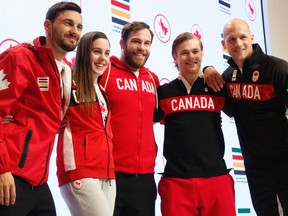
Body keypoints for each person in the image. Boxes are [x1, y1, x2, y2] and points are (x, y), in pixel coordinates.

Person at [0, 2, 82, 216]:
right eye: (68, 23)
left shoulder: (66, 71)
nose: (75, 31)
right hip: (10, 176)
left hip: (39, 181)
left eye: (79, 27)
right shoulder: (20, 57)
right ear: (48, 25)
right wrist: (2, 169)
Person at [203, 18, 288, 215]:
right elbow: (215, 92)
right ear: (224, 44)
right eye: (231, 39)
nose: (238, 43)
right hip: (254, 166)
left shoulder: (276, 68)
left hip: (283, 160)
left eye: (242, 37)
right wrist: (207, 69)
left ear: (252, 37)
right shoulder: (228, 75)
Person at [155, 32, 236, 216]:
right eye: (184, 52)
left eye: (195, 51)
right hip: (177, 182)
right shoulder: (164, 92)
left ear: (202, 53)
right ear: (174, 57)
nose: (191, 57)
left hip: (216, 179)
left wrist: (209, 68)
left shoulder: (217, 87)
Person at [99, 21, 160, 216]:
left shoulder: (153, 79)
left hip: (145, 178)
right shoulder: (104, 71)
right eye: (136, 41)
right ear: (122, 43)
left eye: (147, 43)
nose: (142, 48)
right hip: (109, 174)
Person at [56, 31, 116, 216]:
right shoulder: (66, 83)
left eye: (107, 53)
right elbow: (41, 113)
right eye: (97, 51)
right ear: (83, 52)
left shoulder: (102, 91)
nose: (103, 58)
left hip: (107, 173)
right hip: (79, 170)